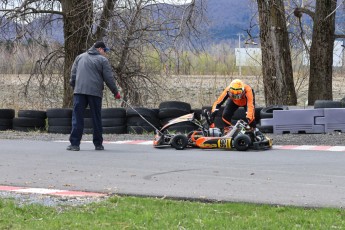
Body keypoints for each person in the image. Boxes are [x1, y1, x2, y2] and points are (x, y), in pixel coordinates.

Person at [67, 41, 121, 151]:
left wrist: (75, 86)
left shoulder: (80, 57)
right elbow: (108, 78)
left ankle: (75, 144)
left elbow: (73, 75)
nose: (105, 53)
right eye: (105, 51)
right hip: (95, 93)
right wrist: (115, 92)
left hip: (79, 92)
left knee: (77, 118)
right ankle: (98, 144)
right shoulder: (103, 60)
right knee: (96, 118)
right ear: (100, 49)